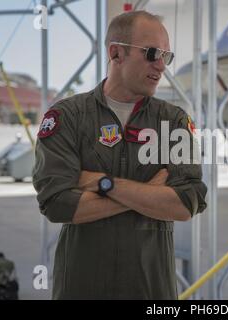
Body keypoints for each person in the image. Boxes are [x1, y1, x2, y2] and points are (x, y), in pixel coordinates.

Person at [32, 11, 207, 299]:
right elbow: (57, 204)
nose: (161, 65)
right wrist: (150, 193)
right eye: (152, 53)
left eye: (166, 56)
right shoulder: (67, 117)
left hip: (152, 292)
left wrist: (105, 183)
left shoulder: (173, 121)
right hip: (81, 289)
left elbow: (186, 203)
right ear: (116, 53)